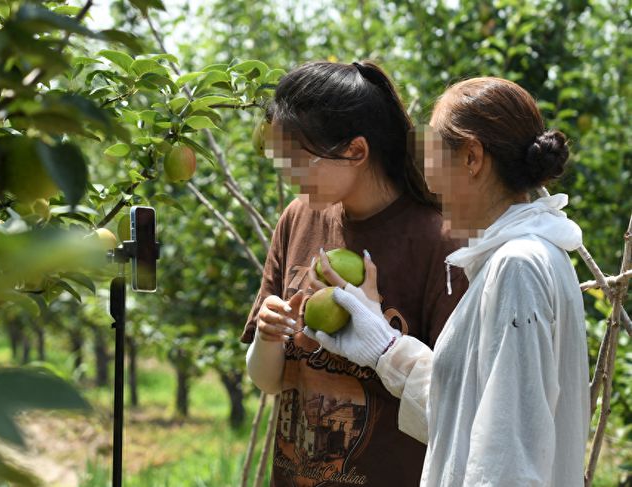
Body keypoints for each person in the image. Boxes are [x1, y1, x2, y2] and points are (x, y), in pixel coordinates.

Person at [305, 77, 590, 486]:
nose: (428, 180)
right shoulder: (525, 258)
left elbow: (506, 463)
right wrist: (384, 348)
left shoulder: (518, 267)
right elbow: (467, 411)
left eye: (433, 155)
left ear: (471, 157)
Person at [241, 61, 468, 486]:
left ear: (356, 151)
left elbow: (458, 403)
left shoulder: (441, 244)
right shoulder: (298, 219)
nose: (286, 174)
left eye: (296, 159)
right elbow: (270, 382)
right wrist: (268, 336)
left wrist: (383, 341)